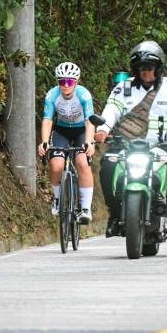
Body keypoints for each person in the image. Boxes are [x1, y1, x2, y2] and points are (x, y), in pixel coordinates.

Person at [94, 41, 167, 241]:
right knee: (107, 166)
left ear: (158, 68)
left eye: (149, 67)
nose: (145, 72)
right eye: (141, 68)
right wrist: (103, 130)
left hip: (162, 147)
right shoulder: (124, 88)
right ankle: (113, 214)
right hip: (127, 145)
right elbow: (111, 109)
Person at [38, 62, 96, 225]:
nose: (65, 86)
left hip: (81, 131)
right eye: (61, 81)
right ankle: (57, 199)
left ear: (76, 82)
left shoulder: (84, 95)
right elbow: (48, 120)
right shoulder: (52, 95)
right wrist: (44, 142)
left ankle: (85, 208)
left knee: (82, 162)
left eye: (69, 82)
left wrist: (89, 142)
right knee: (56, 165)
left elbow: (90, 121)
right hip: (62, 131)